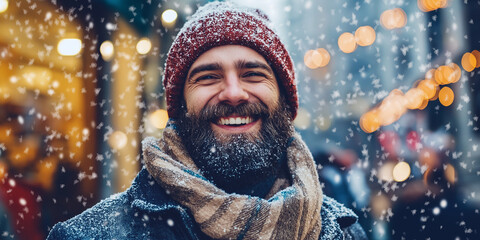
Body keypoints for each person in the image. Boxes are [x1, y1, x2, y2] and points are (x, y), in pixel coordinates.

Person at [47, 2, 367, 239]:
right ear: (180, 106)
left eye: (253, 74)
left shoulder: (345, 231)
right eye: (208, 76)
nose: (233, 93)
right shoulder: (91, 235)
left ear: (285, 101)